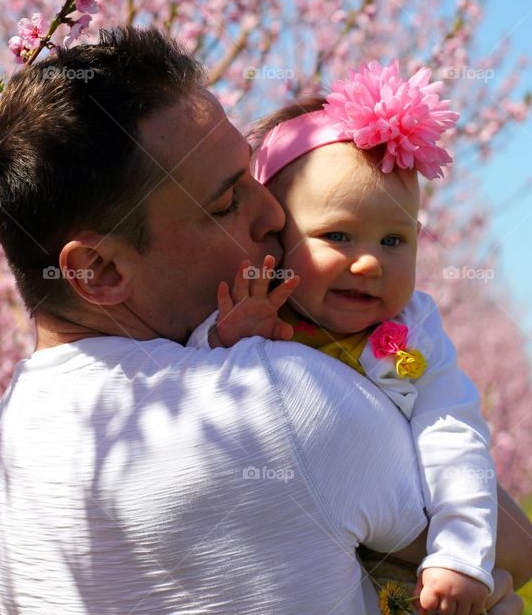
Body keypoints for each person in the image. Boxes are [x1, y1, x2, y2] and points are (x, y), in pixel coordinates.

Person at [0, 25, 532, 614]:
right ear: (100, 270)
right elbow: (516, 550)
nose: (272, 215)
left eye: (252, 177)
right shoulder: (278, 395)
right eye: (227, 201)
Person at [186, 61, 496, 615]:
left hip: (401, 568)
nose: (370, 262)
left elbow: (453, 432)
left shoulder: (416, 335)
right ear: (275, 239)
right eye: (338, 236)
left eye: (395, 240)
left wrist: (460, 554)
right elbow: (187, 407)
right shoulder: (247, 310)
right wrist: (222, 342)